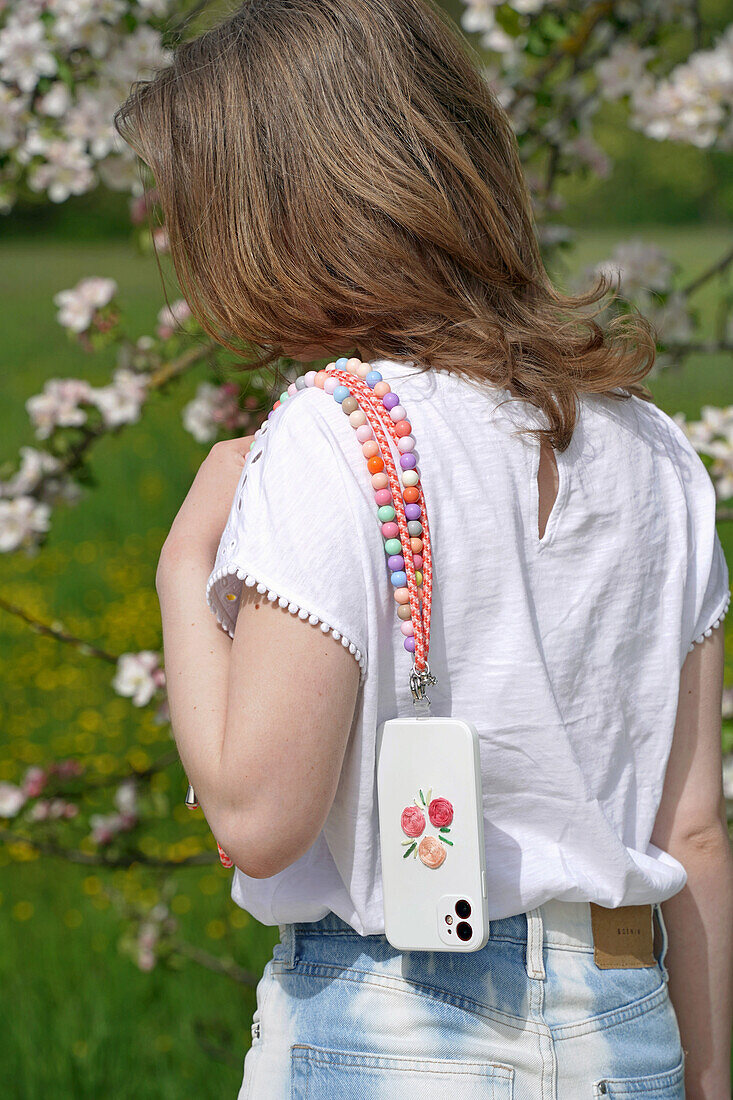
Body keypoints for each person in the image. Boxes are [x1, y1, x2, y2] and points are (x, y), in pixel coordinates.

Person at [114, 0, 733, 1096]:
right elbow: (692, 828)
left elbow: (260, 815)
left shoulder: (334, 428)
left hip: (398, 1028)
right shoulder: (656, 450)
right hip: (628, 1022)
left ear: (278, 215)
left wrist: (180, 564)